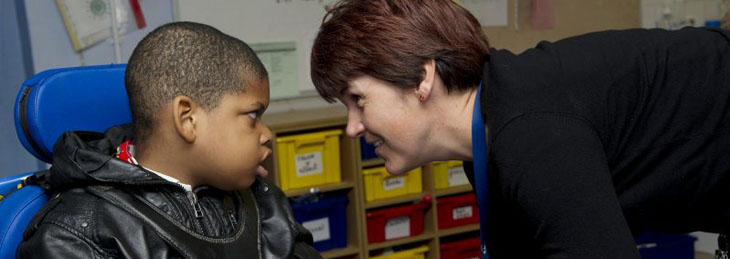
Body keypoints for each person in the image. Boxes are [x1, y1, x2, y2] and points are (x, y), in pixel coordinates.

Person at [310, 0, 730, 258]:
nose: (352, 127)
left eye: (358, 100)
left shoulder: (530, 132)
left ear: (422, 78)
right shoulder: (490, 133)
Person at [17, 22, 321, 259]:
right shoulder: (74, 232)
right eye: (253, 116)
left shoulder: (259, 197)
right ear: (187, 118)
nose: (267, 134)